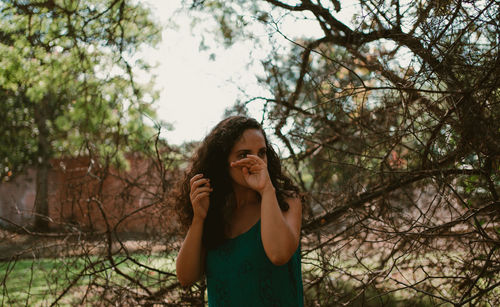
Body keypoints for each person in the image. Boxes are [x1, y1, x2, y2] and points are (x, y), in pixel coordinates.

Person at [174, 116, 304, 306]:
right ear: (223, 161)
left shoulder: (286, 202)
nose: (255, 161)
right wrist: (199, 219)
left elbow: (279, 254)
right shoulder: (216, 213)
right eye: (244, 155)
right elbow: (185, 277)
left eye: (261, 153)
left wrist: (266, 189)